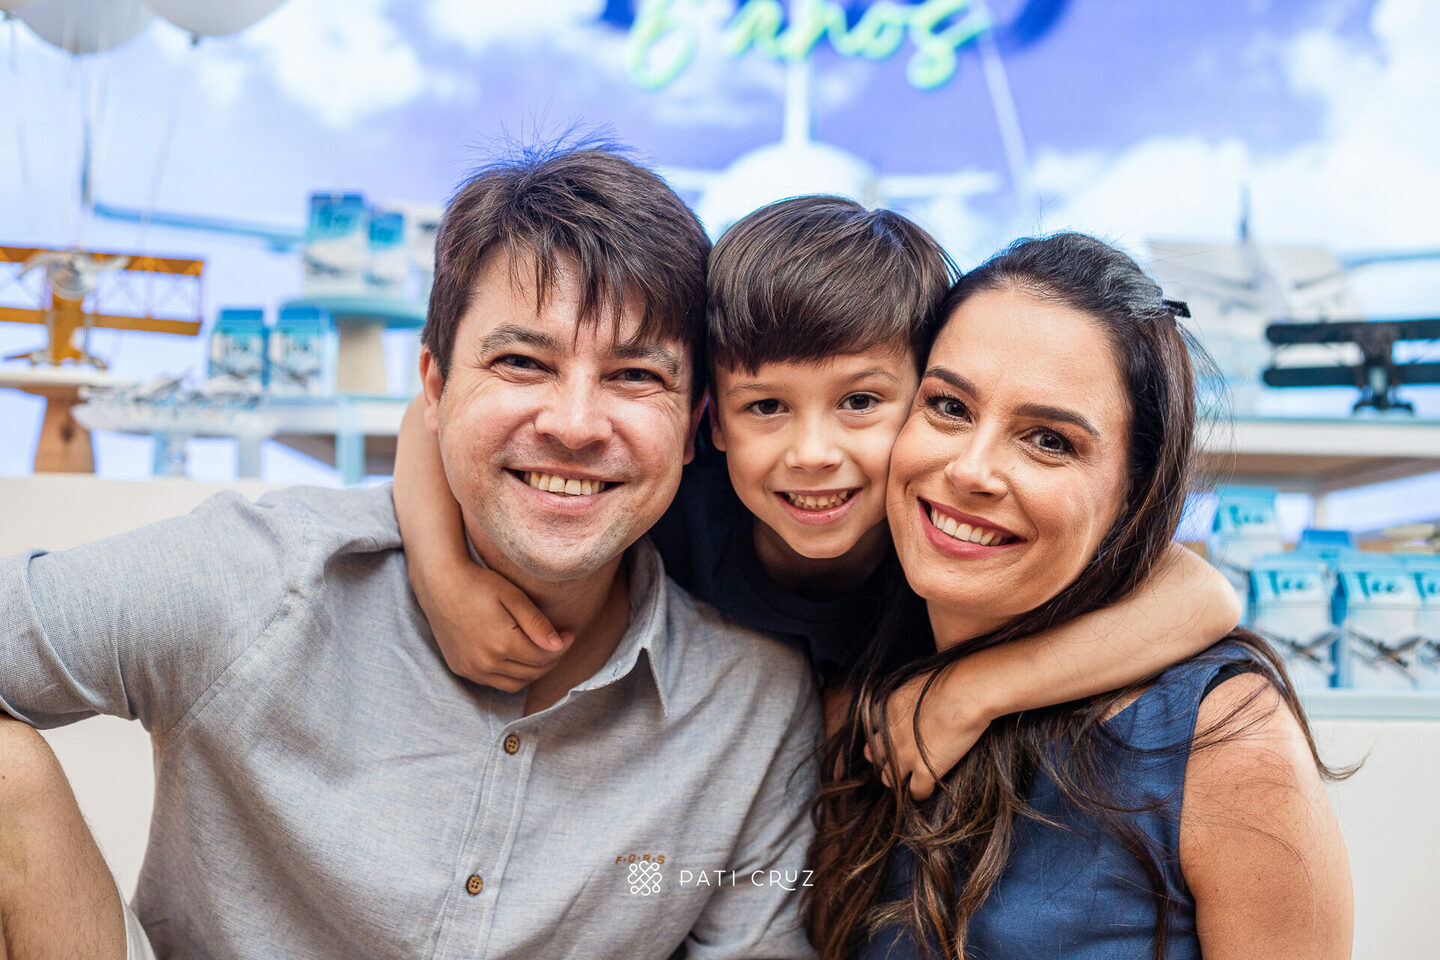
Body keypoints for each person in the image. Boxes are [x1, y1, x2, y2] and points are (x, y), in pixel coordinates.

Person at [0, 146, 822, 960]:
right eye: (521, 363)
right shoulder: (264, 579)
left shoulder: (747, 705)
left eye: (635, 375)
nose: (575, 425)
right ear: (434, 386)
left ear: (695, 423)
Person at [394, 196, 1243, 801]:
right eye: (766, 407)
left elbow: (1206, 596)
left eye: (862, 402)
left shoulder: (941, 540)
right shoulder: (682, 488)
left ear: (927, 396)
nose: (812, 454)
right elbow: (435, 414)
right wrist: (444, 579)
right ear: (708, 420)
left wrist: (974, 690)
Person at [808, 233, 1352, 960]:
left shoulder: (1224, 742)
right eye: (949, 406)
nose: (971, 470)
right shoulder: (854, 696)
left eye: (1050, 441)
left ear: (1134, 492)